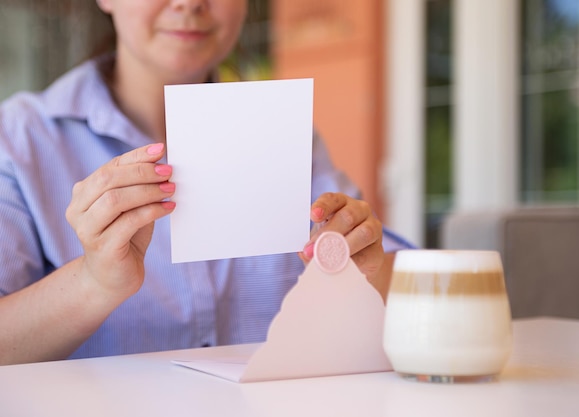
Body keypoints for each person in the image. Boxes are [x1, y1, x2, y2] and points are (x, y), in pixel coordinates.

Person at [0, 0, 413, 365]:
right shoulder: (19, 140)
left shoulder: (284, 129)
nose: (190, 2)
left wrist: (365, 267)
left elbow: (409, 287)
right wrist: (94, 282)